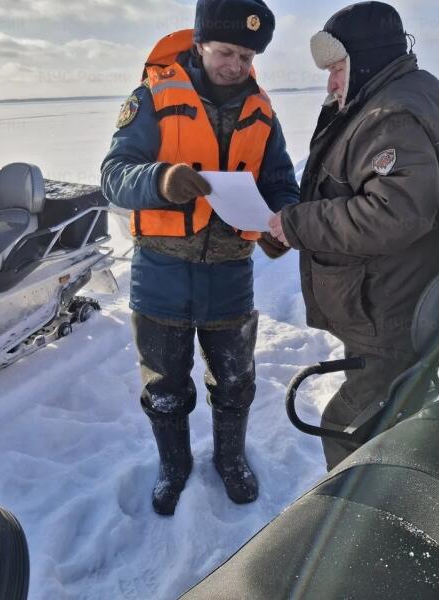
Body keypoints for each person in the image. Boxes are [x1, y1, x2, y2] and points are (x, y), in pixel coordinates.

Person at [101, 0, 299, 515]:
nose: (235, 65)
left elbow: (280, 182)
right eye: (226, 52)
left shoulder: (262, 111)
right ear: (200, 44)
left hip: (231, 271)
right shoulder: (153, 96)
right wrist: (161, 179)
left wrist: (282, 221)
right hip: (160, 271)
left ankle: (229, 458)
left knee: (235, 381)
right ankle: (174, 465)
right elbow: (115, 173)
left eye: (246, 55)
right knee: (165, 384)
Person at [268, 1, 439, 470]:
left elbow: (395, 212)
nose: (332, 83)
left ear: (365, 61)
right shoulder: (404, 93)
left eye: (338, 68)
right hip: (398, 300)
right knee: (395, 424)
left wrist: (299, 223)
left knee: (351, 431)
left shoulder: (391, 114)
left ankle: (355, 525)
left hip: (394, 311)